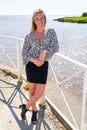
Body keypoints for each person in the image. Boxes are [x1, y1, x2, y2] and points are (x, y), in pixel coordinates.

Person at [20, 9, 59, 124]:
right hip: (31, 66)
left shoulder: (51, 32)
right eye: (37, 18)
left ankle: (25, 107)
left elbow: (56, 47)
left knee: (39, 93)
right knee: (32, 91)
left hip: (43, 66)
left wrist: (45, 51)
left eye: (42, 18)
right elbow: (24, 52)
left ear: (45, 19)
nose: (40, 20)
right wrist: (33, 60)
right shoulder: (29, 36)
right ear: (34, 21)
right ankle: (34, 110)